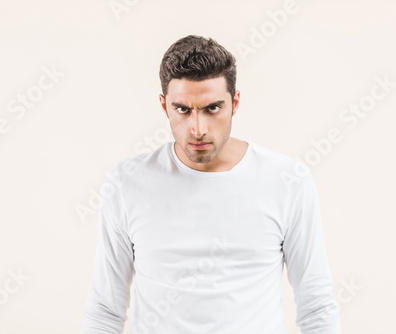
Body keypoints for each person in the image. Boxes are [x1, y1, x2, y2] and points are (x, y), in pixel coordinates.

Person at [81, 34, 342, 334]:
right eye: (183, 109)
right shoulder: (127, 184)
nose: (198, 129)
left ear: (235, 103)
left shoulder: (287, 182)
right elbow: (105, 310)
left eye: (212, 108)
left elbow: (317, 306)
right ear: (164, 106)